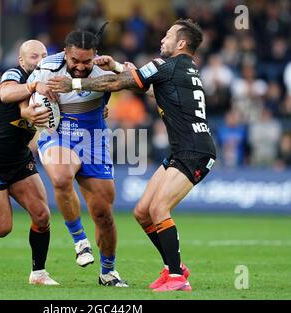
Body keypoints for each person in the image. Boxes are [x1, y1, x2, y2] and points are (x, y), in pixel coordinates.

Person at [47, 19, 217, 292]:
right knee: (142, 212)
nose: (163, 39)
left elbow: (119, 83)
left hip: (195, 150)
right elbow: (146, 87)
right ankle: (172, 267)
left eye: (168, 35)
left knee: (159, 209)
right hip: (184, 149)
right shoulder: (185, 69)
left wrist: (74, 85)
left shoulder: (167, 65)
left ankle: (177, 276)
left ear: (181, 43)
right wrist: (115, 66)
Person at [27, 29, 128, 287]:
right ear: (65, 53)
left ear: (95, 55)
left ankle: (108, 272)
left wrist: (114, 66)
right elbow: (24, 95)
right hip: (58, 133)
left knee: (103, 214)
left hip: (94, 140)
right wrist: (30, 112)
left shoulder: (104, 69)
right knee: (61, 177)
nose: (81, 66)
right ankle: (80, 241)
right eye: (75, 61)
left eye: (87, 61)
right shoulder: (48, 67)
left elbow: (137, 82)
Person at [0, 40, 59, 286]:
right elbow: (6, 93)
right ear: (22, 61)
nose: (40, 61)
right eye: (33, 56)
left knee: (42, 215)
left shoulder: (50, 82)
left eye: (44, 55)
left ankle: (38, 273)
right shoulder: (14, 74)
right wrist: (33, 86)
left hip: (19, 159)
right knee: (2, 229)